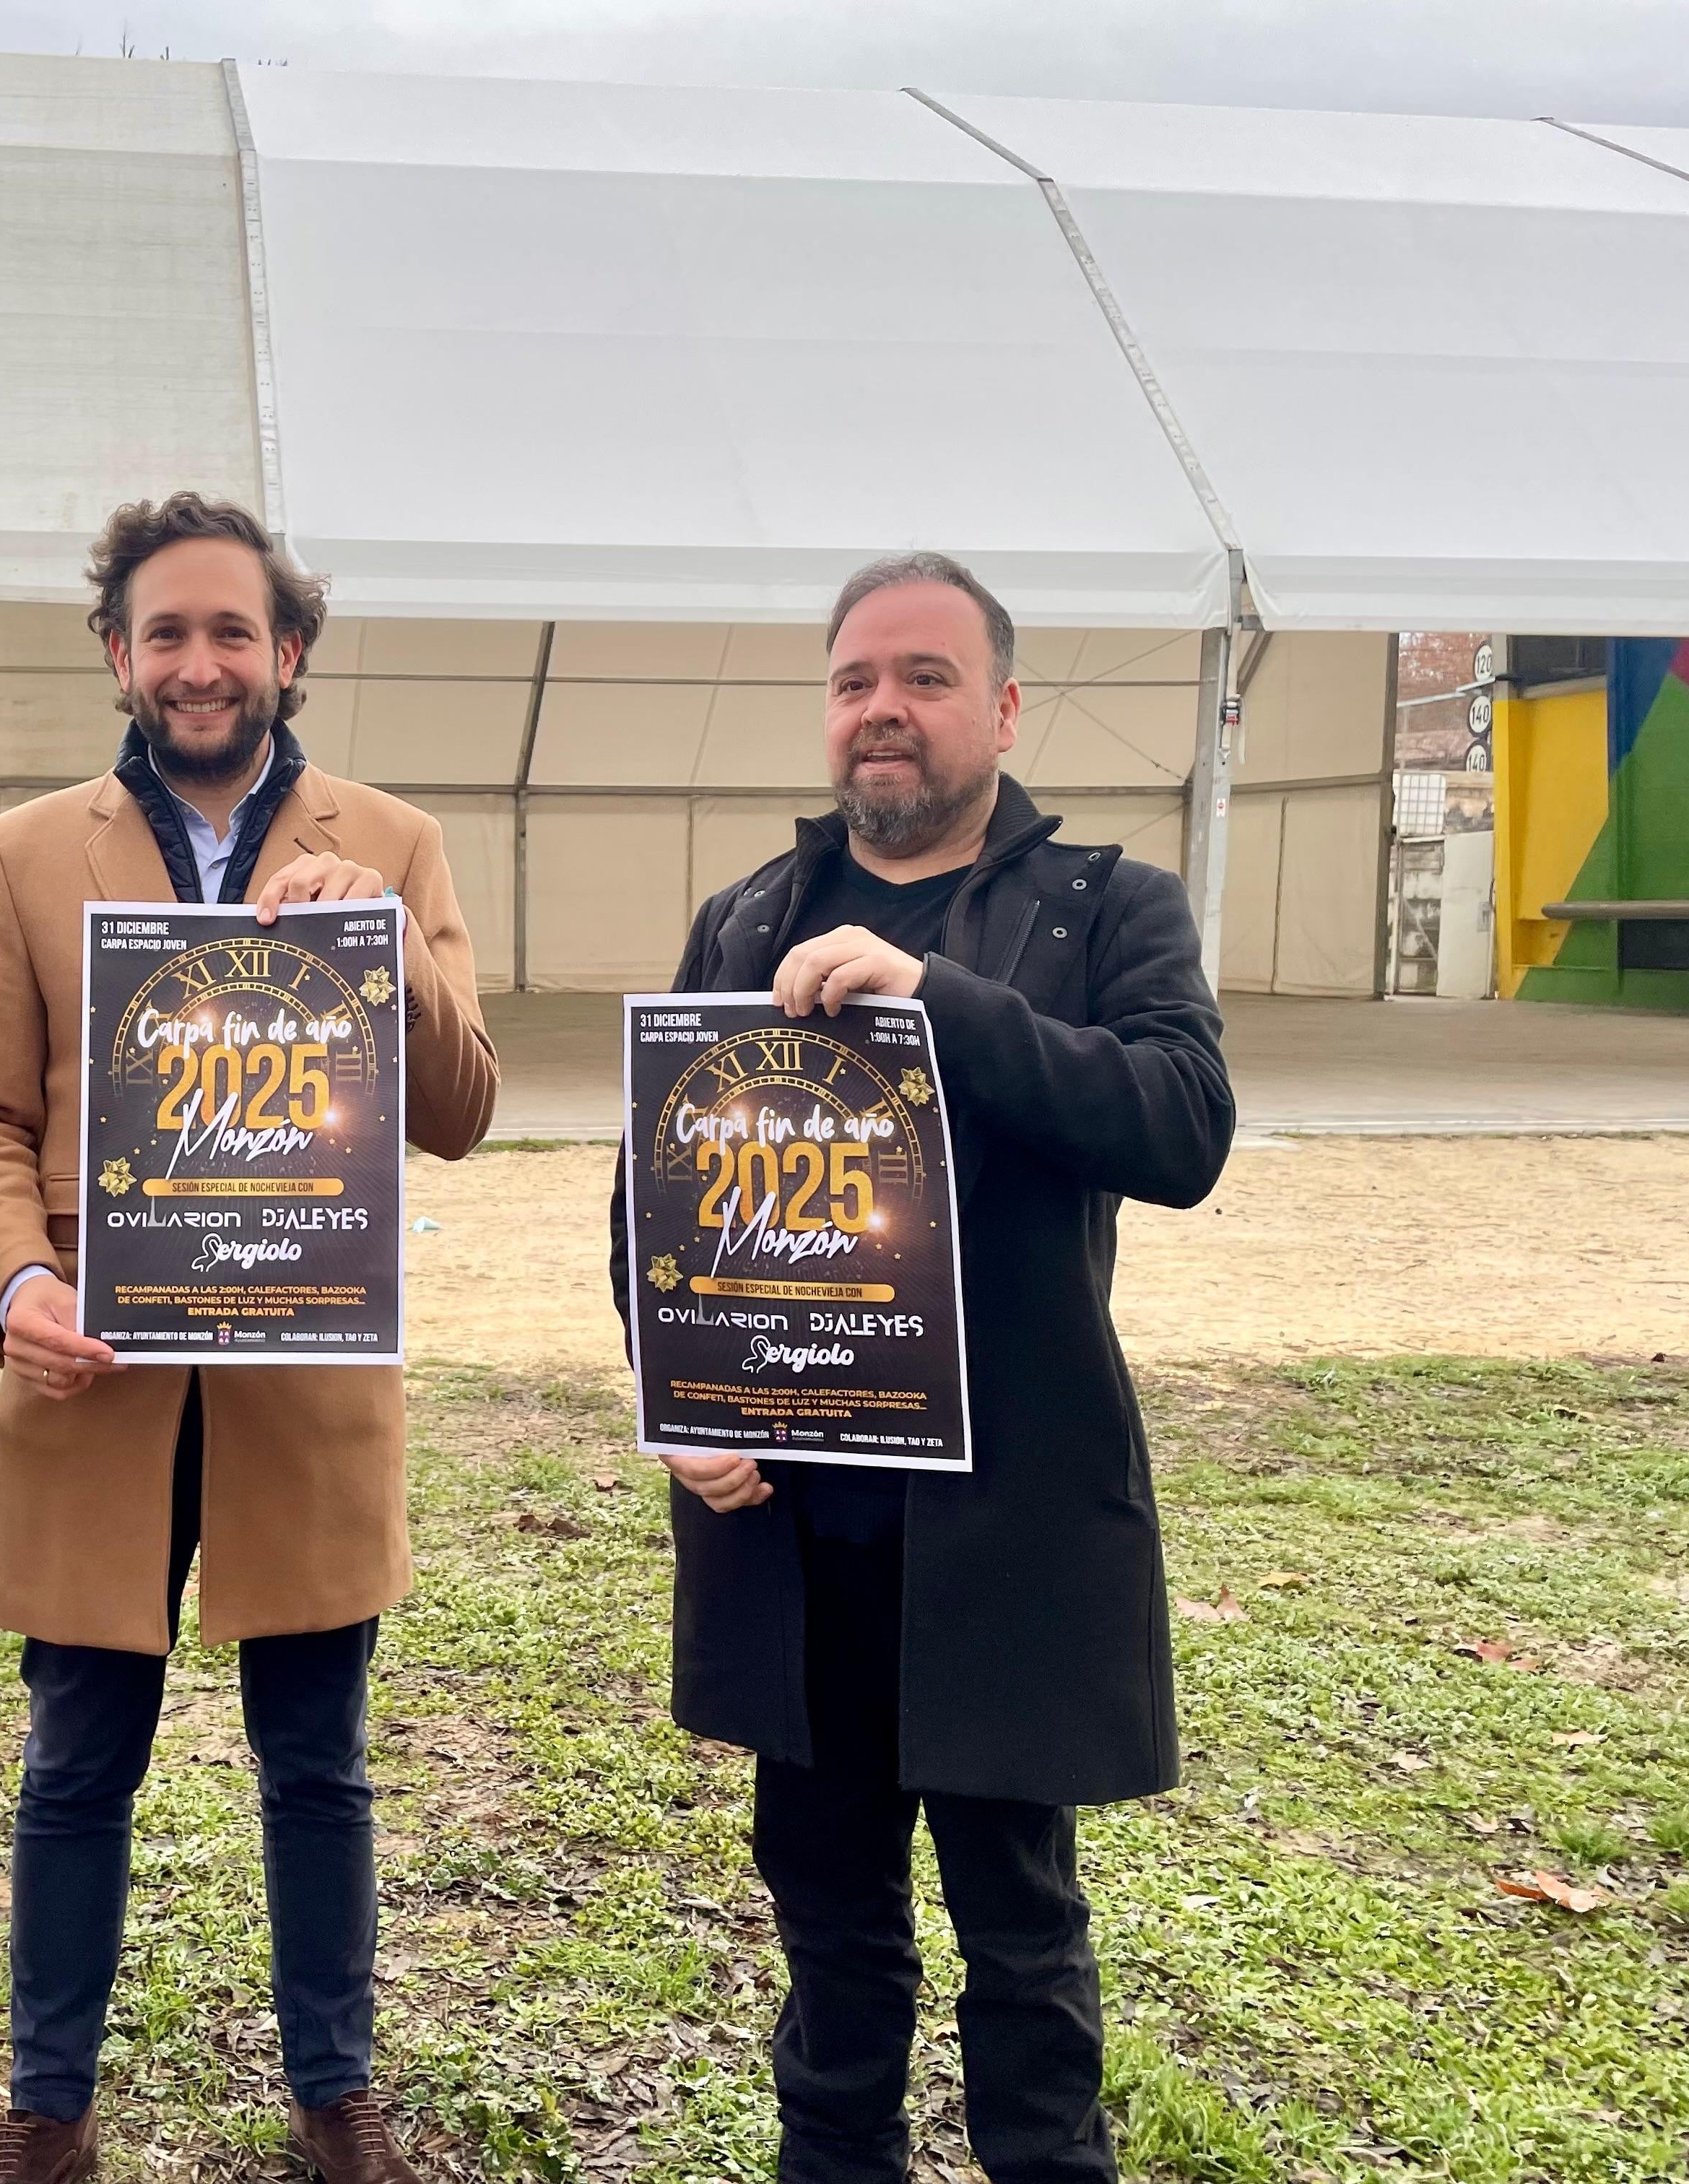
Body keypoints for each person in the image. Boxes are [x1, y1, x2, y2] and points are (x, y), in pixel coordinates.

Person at [610, 553, 1234, 2183]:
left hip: (1001, 1532)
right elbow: (652, 1199)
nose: (882, 708)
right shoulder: (746, 915)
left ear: (1006, 708)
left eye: (926, 677)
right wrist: (682, 1405)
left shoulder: (1102, 907)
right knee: (827, 1941)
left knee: (1021, 1946)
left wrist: (936, 1000)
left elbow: (1182, 1126)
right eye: (853, 681)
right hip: (794, 1533)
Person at [0, 493, 499, 2184]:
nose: (198, 662)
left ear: (289, 652)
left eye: (231, 631)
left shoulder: (391, 843)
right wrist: (16, 1283)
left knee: (315, 1763)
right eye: (165, 632)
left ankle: (337, 2095)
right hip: (92, 1381)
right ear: (117, 654)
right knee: (74, 1762)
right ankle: (48, 2107)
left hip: (305, 1381)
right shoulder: (29, 853)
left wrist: (389, 957)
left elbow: (460, 1113)